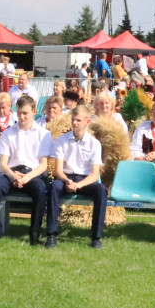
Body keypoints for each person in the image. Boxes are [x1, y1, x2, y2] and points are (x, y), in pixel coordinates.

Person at [0, 95, 51, 243]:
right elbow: (3, 163)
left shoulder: (43, 134)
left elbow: (43, 165)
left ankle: (34, 234)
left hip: (33, 174)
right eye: (19, 113)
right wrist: (13, 176)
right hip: (11, 172)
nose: (21, 117)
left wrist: (26, 177)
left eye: (25, 113)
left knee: (41, 190)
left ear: (34, 112)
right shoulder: (8, 133)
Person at [45, 105, 106, 249]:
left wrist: (79, 185)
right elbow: (58, 171)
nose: (75, 123)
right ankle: (51, 235)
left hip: (85, 181)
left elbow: (95, 174)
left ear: (87, 122)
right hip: (65, 178)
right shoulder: (61, 140)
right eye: (73, 119)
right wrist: (68, 181)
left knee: (101, 190)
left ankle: (96, 237)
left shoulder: (95, 144)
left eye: (78, 120)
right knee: (54, 186)